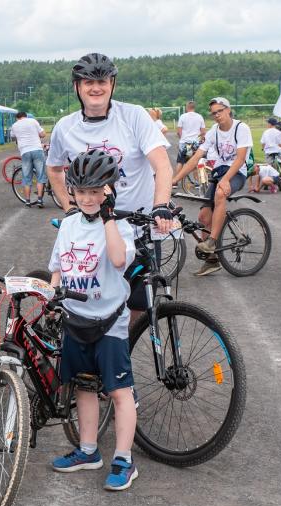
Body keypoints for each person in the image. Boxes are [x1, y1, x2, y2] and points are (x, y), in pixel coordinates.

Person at [46, 52, 173, 324]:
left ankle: (119, 358)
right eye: (88, 82)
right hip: (90, 234)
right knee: (88, 303)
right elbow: (54, 168)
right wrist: (69, 208)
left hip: (136, 229)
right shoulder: (64, 128)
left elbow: (162, 166)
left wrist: (161, 205)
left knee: (139, 306)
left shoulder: (135, 116)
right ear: (77, 87)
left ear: (112, 84)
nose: (96, 87)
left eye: (102, 81)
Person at [48, 149, 138, 491]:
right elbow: (58, 266)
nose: (88, 198)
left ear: (109, 191)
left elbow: (118, 260)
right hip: (77, 320)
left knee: (118, 391)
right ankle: (88, 451)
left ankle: (124, 459)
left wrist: (109, 217)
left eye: (96, 191)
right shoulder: (69, 223)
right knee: (84, 387)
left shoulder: (119, 225)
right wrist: (52, 294)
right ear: (73, 191)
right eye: (82, 191)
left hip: (109, 322)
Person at [174, 97, 252, 276]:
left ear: (228, 110)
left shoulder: (241, 128)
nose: (217, 115)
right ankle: (212, 261)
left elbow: (240, 158)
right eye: (214, 113)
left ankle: (212, 240)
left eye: (220, 111)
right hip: (219, 172)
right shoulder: (213, 132)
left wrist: (226, 180)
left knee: (220, 193)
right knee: (203, 216)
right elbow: (195, 158)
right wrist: (175, 178)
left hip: (236, 173)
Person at [10, 111, 47, 207]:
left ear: (17, 118)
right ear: (26, 116)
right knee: (40, 176)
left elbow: (13, 137)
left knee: (26, 177)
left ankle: (27, 200)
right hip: (37, 150)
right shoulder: (33, 121)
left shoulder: (14, 125)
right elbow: (43, 134)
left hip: (25, 151)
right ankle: (39, 199)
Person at [175, 101, 206, 177]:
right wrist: (199, 140)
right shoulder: (199, 116)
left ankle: (175, 181)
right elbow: (203, 132)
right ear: (194, 107)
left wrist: (182, 139)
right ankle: (197, 181)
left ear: (187, 107)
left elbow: (179, 132)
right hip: (195, 143)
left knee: (180, 162)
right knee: (196, 161)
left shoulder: (182, 116)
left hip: (185, 143)